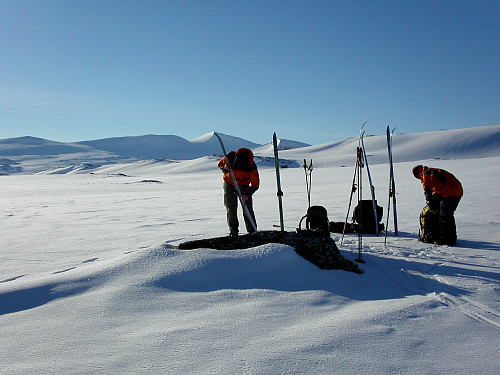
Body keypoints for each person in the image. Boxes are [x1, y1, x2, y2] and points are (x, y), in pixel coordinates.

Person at [412, 165, 463, 245]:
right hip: (456, 191)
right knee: (447, 215)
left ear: (418, 174)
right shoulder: (431, 171)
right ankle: (449, 238)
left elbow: (429, 190)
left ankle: (447, 239)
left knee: (444, 216)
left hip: (449, 192)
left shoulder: (426, 174)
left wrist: (435, 196)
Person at [218, 148, 259, 237]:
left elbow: (255, 184)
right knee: (231, 208)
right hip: (229, 183)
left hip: (244, 186)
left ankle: (252, 231)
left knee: (247, 209)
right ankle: (233, 232)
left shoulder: (252, 166)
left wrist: (247, 194)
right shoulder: (229, 157)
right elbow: (220, 164)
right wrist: (225, 169)